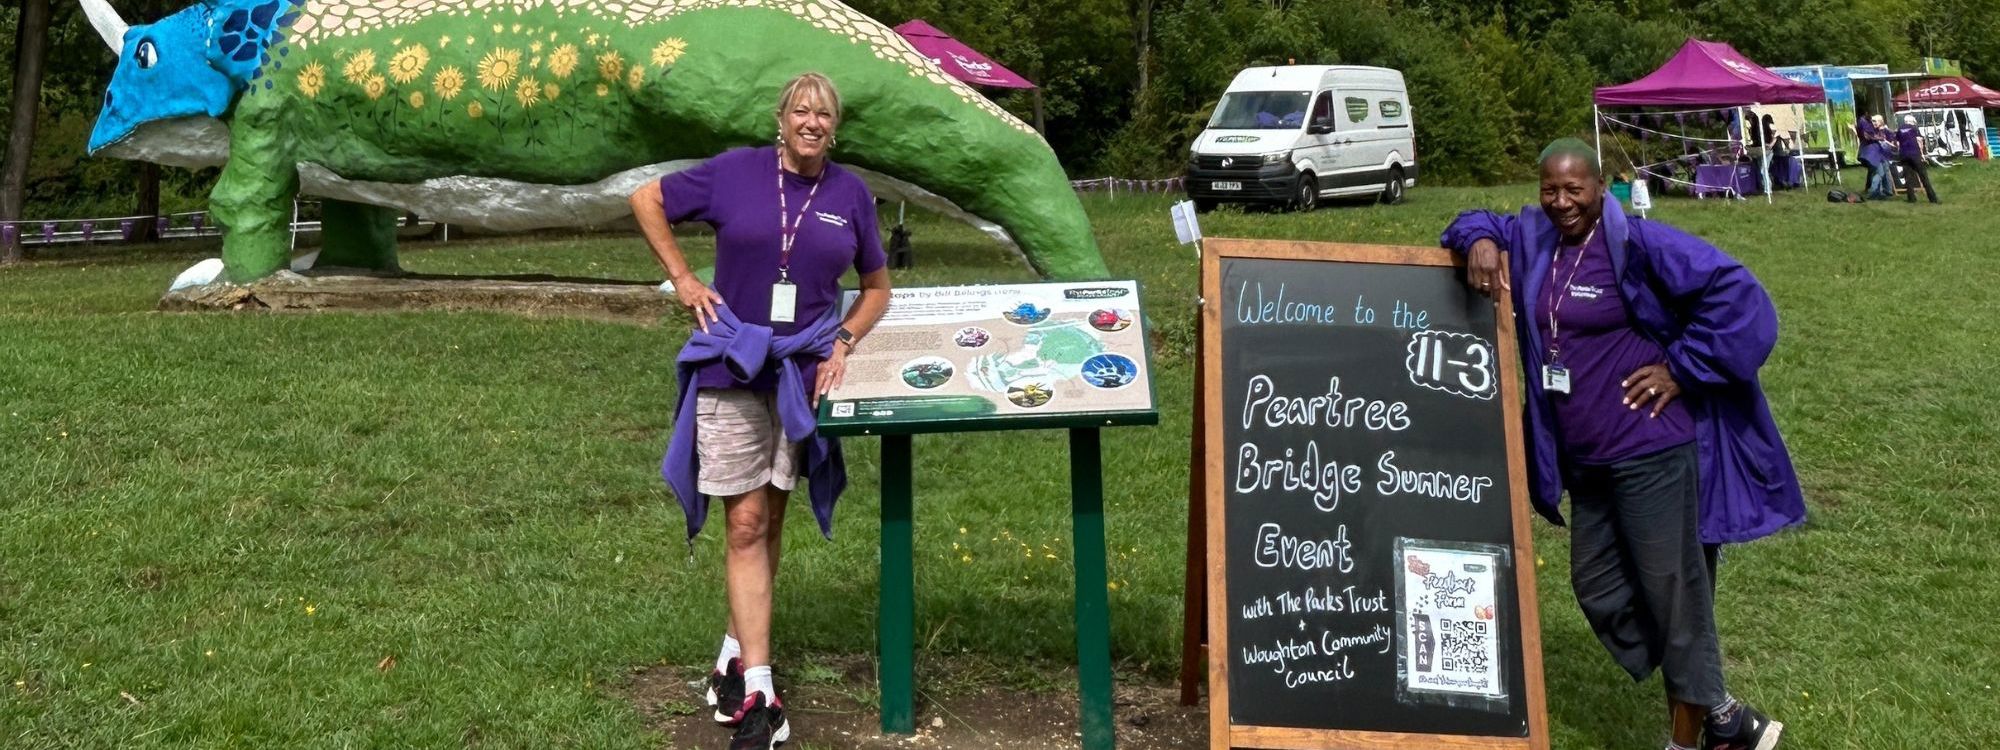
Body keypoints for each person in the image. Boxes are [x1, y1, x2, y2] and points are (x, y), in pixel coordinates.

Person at [1440, 138, 1804, 750]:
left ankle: (1692, 736)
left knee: (1671, 591)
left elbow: (1743, 298)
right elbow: (1472, 220)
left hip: (1652, 451)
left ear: (1600, 185)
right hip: (1584, 460)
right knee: (1597, 585)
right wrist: (1478, 240)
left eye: (1574, 189)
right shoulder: (1534, 240)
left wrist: (1682, 368)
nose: (1561, 203)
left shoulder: (1638, 243)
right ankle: (1721, 710)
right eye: (1549, 190)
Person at [635, 71, 892, 750]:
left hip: (800, 375)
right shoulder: (734, 173)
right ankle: (760, 692)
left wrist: (843, 339)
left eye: (825, 115)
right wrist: (684, 278)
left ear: (835, 127)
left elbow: (875, 287)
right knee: (745, 520)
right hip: (733, 365)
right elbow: (646, 198)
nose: (812, 122)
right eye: (801, 111)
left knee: (770, 517)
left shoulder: (850, 195)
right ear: (780, 119)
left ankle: (732, 651)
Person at [1896, 114, 1940, 204]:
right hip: (1914, 154)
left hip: (1904, 155)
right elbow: (1919, 141)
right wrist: (1922, 154)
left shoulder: (1899, 129)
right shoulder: (1914, 129)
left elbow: (1897, 143)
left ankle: (1911, 198)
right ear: (1913, 122)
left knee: (1908, 177)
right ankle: (1933, 198)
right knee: (1923, 176)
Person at [1857, 114, 1892, 199]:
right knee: (1879, 173)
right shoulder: (1868, 128)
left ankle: (1882, 191)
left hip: (1876, 155)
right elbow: (1868, 136)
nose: (1874, 123)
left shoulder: (1878, 129)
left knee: (1880, 172)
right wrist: (1879, 138)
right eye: (1873, 121)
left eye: (1876, 121)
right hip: (1872, 155)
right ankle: (1873, 192)